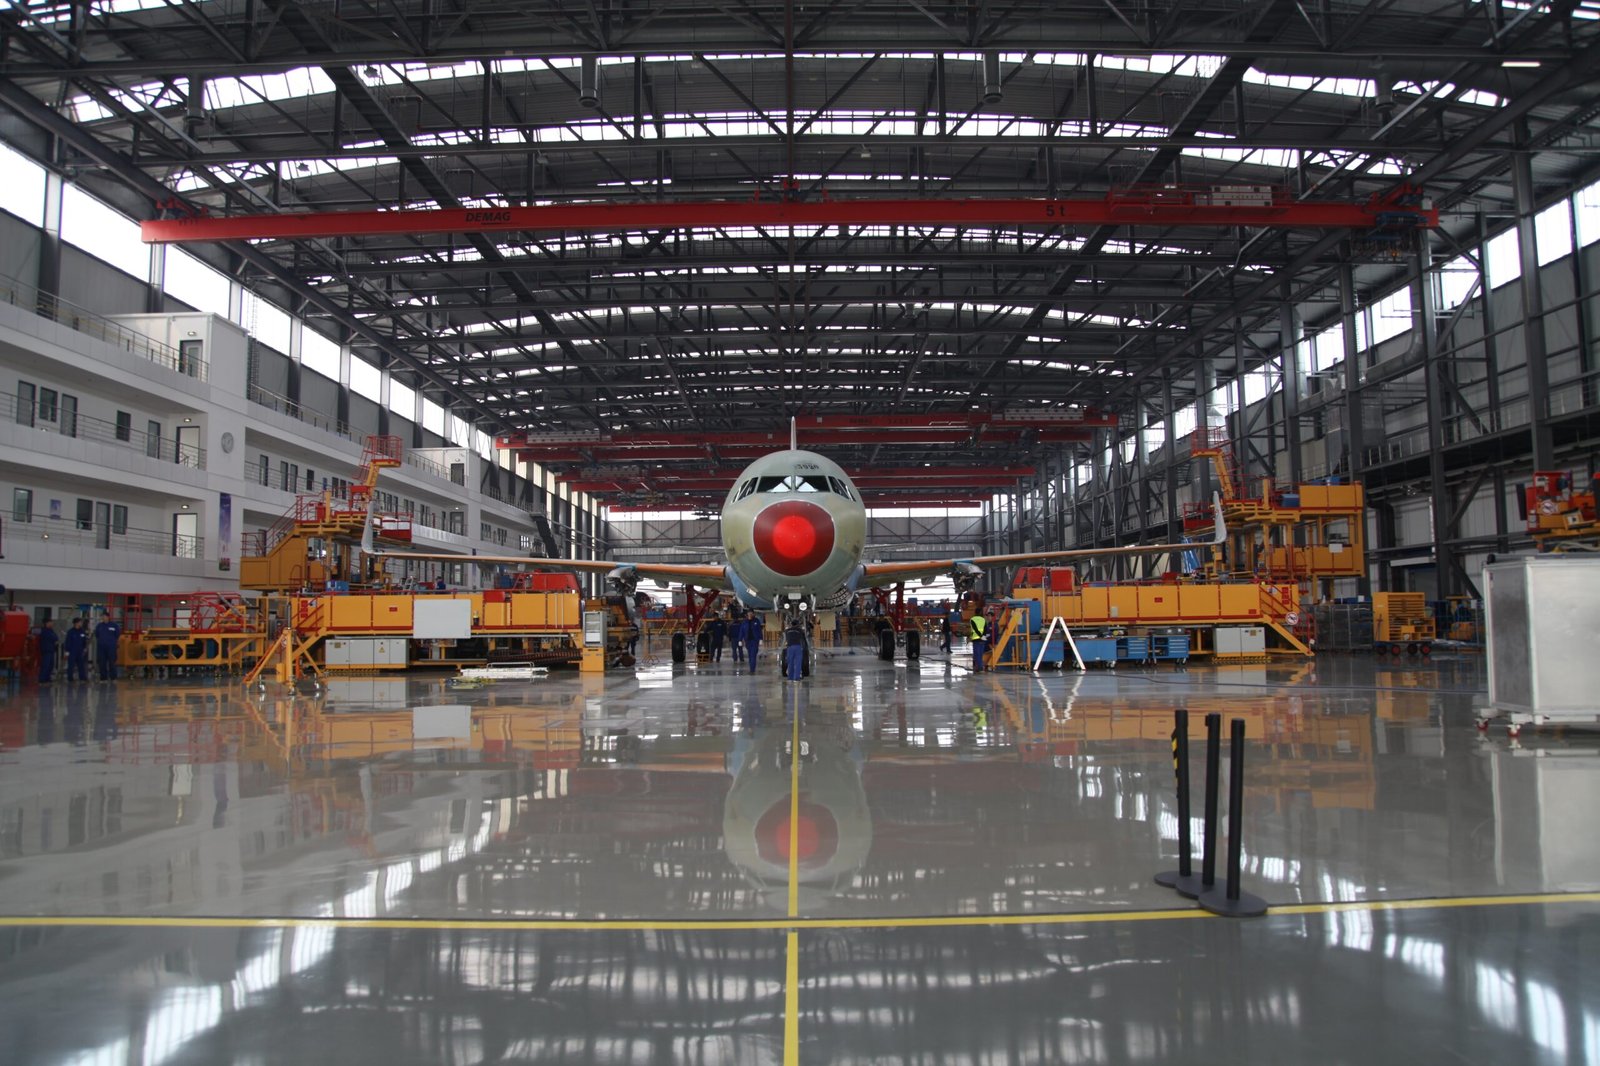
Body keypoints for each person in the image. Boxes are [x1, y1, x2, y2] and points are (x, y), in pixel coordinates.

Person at [93, 613, 122, 681]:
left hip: (111, 647)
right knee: (102, 662)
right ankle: (103, 678)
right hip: (101, 647)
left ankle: (113, 677)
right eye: (102, 616)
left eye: (104, 616)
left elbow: (117, 634)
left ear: (108, 617)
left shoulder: (114, 625)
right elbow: (97, 635)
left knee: (112, 662)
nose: (103, 618)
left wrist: (113, 642)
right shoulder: (99, 626)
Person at [63, 618, 89, 682]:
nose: (81, 623)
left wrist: (85, 648)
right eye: (80, 622)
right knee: (71, 665)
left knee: (81, 665)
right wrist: (67, 651)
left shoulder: (82, 631)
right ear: (76, 623)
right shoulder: (70, 632)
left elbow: (84, 640)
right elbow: (67, 642)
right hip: (72, 651)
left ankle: (82, 677)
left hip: (80, 651)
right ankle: (70, 678)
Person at [35, 619, 58, 685]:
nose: (52, 624)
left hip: (51, 650)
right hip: (46, 650)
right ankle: (42, 679)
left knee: (51, 665)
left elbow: (56, 637)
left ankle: (47, 678)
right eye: (51, 622)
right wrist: (53, 639)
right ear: (47, 623)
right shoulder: (44, 631)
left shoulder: (51, 630)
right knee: (45, 665)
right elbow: (52, 638)